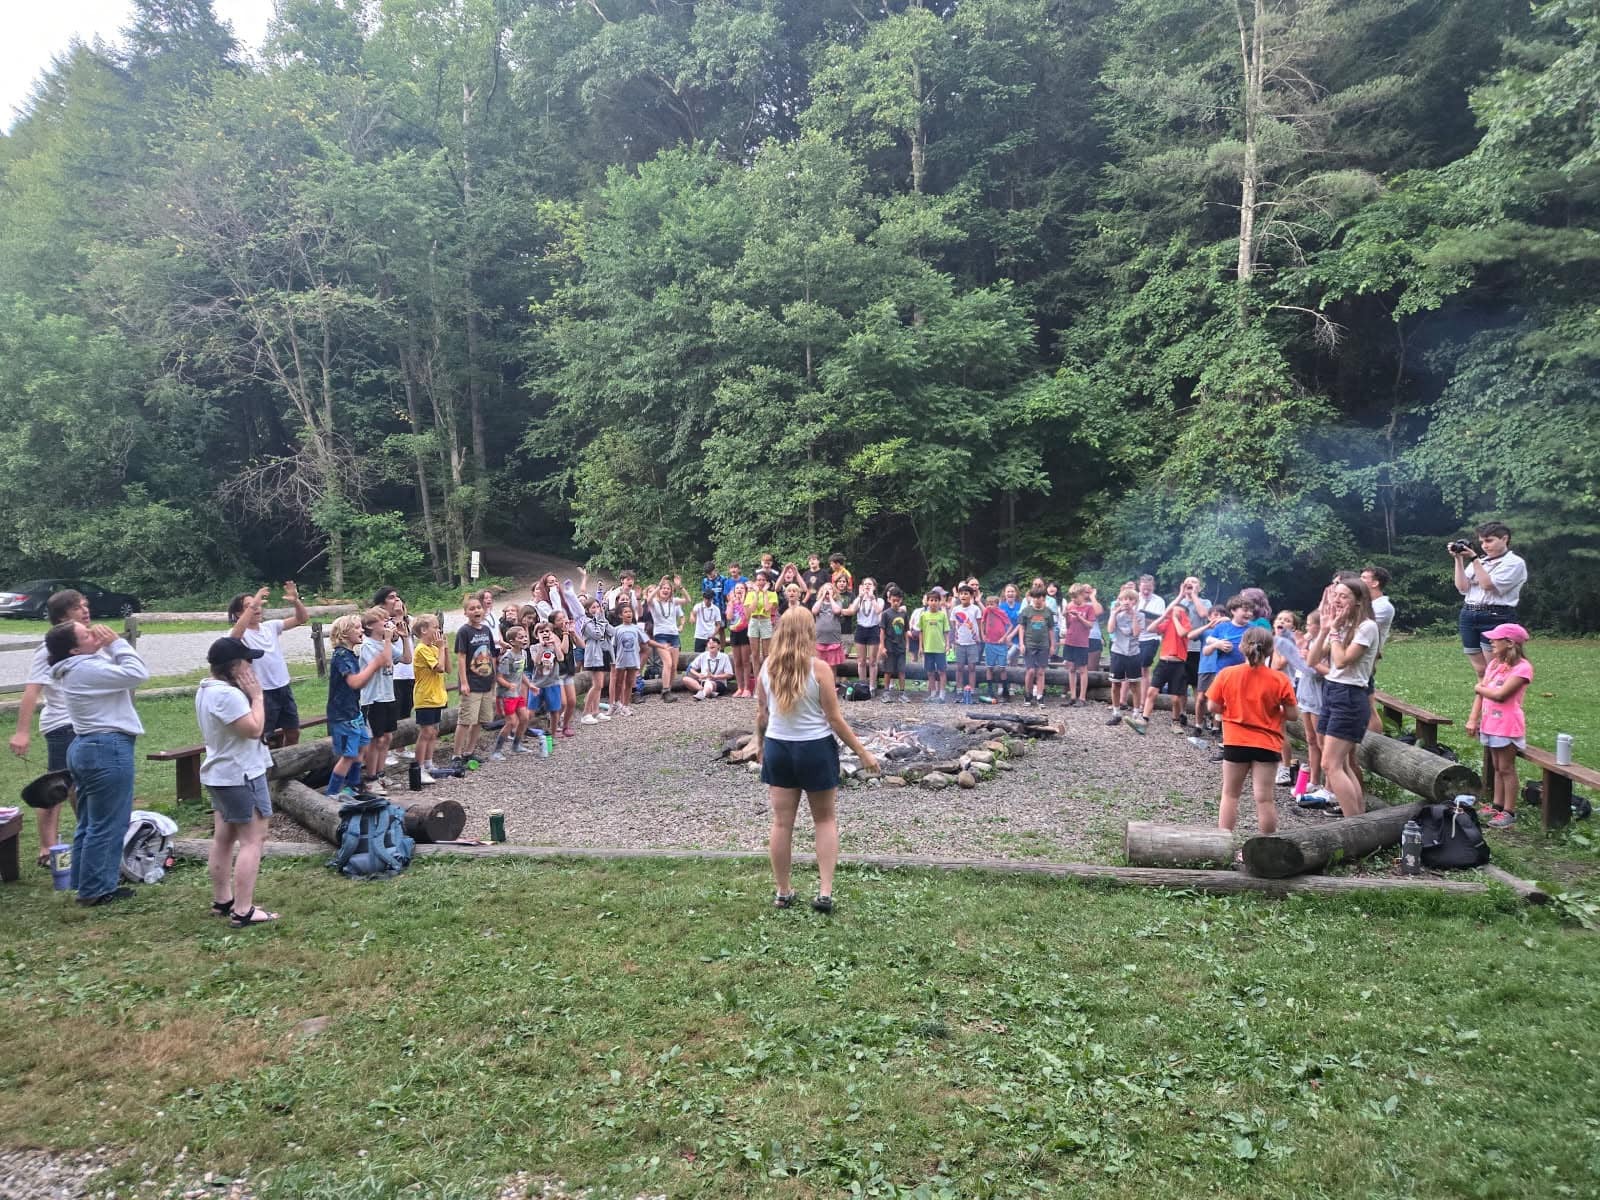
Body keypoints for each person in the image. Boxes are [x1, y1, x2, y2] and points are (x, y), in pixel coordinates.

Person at [754, 606, 881, 913]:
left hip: (779, 747)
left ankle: (783, 891)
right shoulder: (820, 669)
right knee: (824, 820)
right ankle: (824, 892)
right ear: (809, 632)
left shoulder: (767, 666)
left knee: (781, 823)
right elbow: (834, 719)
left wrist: (760, 745)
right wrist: (863, 753)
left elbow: (762, 714)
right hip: (815, 749)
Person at [46, 620, 149, 906]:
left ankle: (83, 881)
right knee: (109, 823)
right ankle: (96, 890)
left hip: (87, 746)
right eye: (86, 634)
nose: (94, 633)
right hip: (106, 748)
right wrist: (117, 643)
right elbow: (137, 673)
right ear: (74, 649)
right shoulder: (85, 669)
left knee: (90, 821)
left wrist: (106, 647)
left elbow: (115, 672)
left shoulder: (78, 666)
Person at [197, 637, 278, 926]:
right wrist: (257, 697)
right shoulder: (227, 695)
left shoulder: (206, 689)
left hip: (221, 774)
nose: (251, 667)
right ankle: (243, 910)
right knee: (253, 839)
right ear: (233, 668)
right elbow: (253, 729)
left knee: (224, 837)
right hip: (240, 775)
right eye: (247, 662)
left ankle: (223, 900)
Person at [10, 588, 91, 865]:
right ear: (62, 616)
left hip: (84, 723)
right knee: (57, 787)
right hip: (61, 724)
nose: (85, 610)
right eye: (78, 607)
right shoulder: (49, 648)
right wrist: (22, 732)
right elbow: (32, 690)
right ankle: (48, 849)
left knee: (80, 785)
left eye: (85, 605)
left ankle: (88, 838)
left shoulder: (86, 642)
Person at [1206, 627, 1298, 839]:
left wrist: (1230, 710)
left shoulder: (1227, 674)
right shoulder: (1280, 679)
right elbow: (1293, 715)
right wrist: (1274, 711)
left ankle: (1224, 844)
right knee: (1264, 799)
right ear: (1271, 651)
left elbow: (1212, 706)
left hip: (1235, 741)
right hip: (1267, 744)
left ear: (1241, 647)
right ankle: (1267, 847)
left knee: (1230, 794)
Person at [1306, 579, 1380, 818]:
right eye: (1335, 595)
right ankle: (1358, 819)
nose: (1336, 600)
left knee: (1331, 764)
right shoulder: (1341, 625)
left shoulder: (1367, 627)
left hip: (1350, 696)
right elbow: (1312, 660)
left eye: (1343, 596)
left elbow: (1341, 661)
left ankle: (1352, 824)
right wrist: (1325, 629)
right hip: (1332, 691)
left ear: (1359, 600)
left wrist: (1335, 631)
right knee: (1342, 764)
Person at [229, 581, 310, 747]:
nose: (257, 608)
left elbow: (302, 619)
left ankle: (290, 762)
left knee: (293, 732)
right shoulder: (239, 633)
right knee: (262, 737)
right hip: (261, 691)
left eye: (258, 604)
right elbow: (234, 637)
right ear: (238, 613)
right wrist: (253, 605)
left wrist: (296, 601)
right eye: (250, 606)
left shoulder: (270, 626)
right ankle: (265, 764)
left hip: (283, 687)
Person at [1468, 623, 1532, 829]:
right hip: (1490, 723)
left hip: (1507, 726)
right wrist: (1473, 718)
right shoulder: (1494, 664)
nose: (1491, 641)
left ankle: (1509, 811)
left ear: (1510, 642)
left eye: (1496, 638)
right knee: (1497, 767)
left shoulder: (1522, 668)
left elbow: (1501, 695)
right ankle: (1496, 805)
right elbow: (1482, 696)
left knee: (1506, 768)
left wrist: (1478, 687)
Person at [1452, 521, 1528, 679]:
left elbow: (1487, 585)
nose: (1484, 546)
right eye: (1481, 542)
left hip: (1496, 615)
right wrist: (1458, 560)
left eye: (1489, 540)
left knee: (1496, 668)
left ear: (1504, 539)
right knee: (1480, 670)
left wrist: (1474, 559)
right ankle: (1482, 696)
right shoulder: (1481, 561)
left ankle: (1501, 695)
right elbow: (1462, 587)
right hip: (1468, 614)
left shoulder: (1514, 563)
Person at [325, 613, 389, 796]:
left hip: (353, 712)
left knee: (362, 746)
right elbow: (354, 682)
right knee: (349, 755)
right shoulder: (341, 655)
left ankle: (353, 786)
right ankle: (332, 793)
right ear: (344, 633)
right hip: (342, 715)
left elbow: (360, 683)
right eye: (357, 627)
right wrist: (375, 664)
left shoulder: (351, 654)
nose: (362, 630)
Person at [358, 607, 410, 793]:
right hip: (373, 699)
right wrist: (388, 639)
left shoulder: (384, 643)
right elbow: (386, 662)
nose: (388, 623)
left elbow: (406, 659)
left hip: (388, 695)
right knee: (376, 739)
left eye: (388, 620)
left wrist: (404, 638)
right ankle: (371, 778)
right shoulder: (367, 646)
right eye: (383, 621)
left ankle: (380, 774)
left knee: (387, 737)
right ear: (370, 626)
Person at [1195, 596, 1252, 738]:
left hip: (1243, 674)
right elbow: (1206, 651)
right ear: (1233, 611)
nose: (1249, 613)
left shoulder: (1252, 629)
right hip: (1223, 673)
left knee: (1236, 705)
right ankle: (1214, 730)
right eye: (1245, 610)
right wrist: (1217, 644)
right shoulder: (1222, 628)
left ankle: (1229, 737)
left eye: (1250, 611)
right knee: (1216, 703)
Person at [453, 594, 498, 763]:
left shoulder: (486, 630)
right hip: (471, 683)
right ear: (466, 613)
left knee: (480, 720)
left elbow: (491, 653)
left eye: (478, 607)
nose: (476, 611)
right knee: (466, 720)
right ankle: (456, 755)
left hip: (486, 681)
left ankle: (469, 751)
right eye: (471, 609)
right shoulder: (464, 631)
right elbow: (461, 658)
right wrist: (464, 683)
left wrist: (493, 678)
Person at [1141, 594, 1193, 730]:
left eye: (1178, 611)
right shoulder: (1167, 622)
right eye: (1174, 611)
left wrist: (1175, 618)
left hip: (1178, 665)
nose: (1174, 613)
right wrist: (1164, 616)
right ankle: (1144, 720)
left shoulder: (1186, 624)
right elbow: (1150, 629)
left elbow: (1182, 633)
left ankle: (1175, 722)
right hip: (1164, 662)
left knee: (1175, 698)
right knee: (1152, 692)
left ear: (1185, 615)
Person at [409, 614, 449, 780]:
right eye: (435, 627)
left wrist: (444, 649)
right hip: (425, 697)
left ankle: (429, 763)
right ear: (424, 630)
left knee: (434, 731)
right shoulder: (421, 649)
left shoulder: (433, 648)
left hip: (436, 696)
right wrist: (441, 649)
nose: (438, 630)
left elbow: (448, 668)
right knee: (426, 732)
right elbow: (439, 668)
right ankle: (418, 769)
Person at [1105, 584, 1146, 729]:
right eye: (1124, 599)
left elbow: (1136, 633)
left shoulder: (1140, 615)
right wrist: (1114, 613)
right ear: (1120, 600)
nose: (1127, 602)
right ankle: (1116, 713)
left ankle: (1136, 713)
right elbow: (1110, 630)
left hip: (1133, 653)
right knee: (1115, 684)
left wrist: (1133, 615)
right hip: (1118, 652)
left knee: (1135, 684)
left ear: (1135, 601)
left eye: (1130, 599)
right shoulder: (1116, 614)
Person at [1361, 565, 1395, 733]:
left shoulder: (1384, 606)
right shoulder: (1368, 603)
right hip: (1358, 658)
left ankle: (1375, 743)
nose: (1359, 581)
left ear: (1375, 583)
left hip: (1366, 661)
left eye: (1363, 578)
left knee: (1368, 708)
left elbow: (1361, 626)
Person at [490, 625, 532, 759]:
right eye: (521, 637)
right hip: (506, 695)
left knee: (524, 718)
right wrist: (509, 685)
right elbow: (499, 677)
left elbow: (521, 673)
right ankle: (496, 751)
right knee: (511, 722)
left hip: (517, 693)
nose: (524, 639)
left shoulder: (524, 654)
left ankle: (516, 745)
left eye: (525, 636)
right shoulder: (508, 657)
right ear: (512, 642)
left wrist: (530, 685)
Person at [648, 575, 689, 702]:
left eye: (668, 588)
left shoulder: (674, 602)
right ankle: (665, 690)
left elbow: (688, 600)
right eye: (663, 588)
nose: (665, 590)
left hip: (674, 635)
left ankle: (668, 690)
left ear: (671, 591)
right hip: (661, 635)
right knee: (668, 663)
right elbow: (648, 599)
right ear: (660, 590)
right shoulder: (655, 603)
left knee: (674, 666)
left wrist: (680, 586)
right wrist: (659, 585)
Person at [1061, 584, 1100, 706]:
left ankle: (1082, 698)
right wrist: (1066, 616)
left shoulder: (1089, 608)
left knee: (1082, 669)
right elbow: (1068, 625)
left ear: (1082, 595)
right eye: (1071, 597)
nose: (1073, 599)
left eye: (1075, 597)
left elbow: (1090, 625)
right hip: (1070, 641)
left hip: (1082, 643)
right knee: (1071, 668)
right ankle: (1072, 696)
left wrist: (1079, 617)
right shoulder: (1070, 605)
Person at [844, 578, 884, 692]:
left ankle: (872, 686)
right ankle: (862, 685)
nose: (867, 586)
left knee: (872, 661)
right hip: (861, 629)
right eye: (865, 584)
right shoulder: (859, 599)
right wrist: (860, 597)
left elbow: (878, 611)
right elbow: (853, 610)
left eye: (870, 584)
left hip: (873, 629)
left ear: (874, 587)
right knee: (861, 661)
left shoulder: (879, 600)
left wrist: (872, 598)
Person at [579, 598, 614, 723]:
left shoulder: (600, 620)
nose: (596, 610)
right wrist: (600, 620)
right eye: (593, 607)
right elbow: (597, 634)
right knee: (597, 685)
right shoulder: (587, 623)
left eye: (597, 607)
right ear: (587, 610)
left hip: (603, 653)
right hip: (594, 656)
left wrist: (603, 619)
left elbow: (612, 632)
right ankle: (585, 713)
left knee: (600, 685)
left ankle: (596, 711)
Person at [1018, 587, 1055, 707]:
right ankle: (1027, 694)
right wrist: (1021, 643)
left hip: (1043, 645)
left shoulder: (1048, 612)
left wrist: (1052, 645)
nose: (1037, 600)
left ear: (1043, 598)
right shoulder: (1026, 611)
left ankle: (1040, 696)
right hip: (1029, 644)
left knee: (1040, 672)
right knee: (1030, 671)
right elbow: (1021, 628)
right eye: (1034, 597)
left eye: (1039, 597)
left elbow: (1051, 629)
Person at [527, 625, 563, 746]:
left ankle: (552, 736)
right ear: (536, 635)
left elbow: (560, 658)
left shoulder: (555, 646)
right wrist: (542, 647)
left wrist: (555, 644)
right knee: (530, 711)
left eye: (547, 631)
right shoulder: (534, 647)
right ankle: (520, 732)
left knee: (554, 711)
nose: (545, 633)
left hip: (552, 682)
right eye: (541, 632)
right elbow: (537, 662)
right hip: (537, 684)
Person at [949, 584, 983, 704]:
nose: (963, 596)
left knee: (972, 667)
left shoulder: (975, 609)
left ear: (971, 595)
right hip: (959, 643)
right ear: (959, 596)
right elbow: (953, 625)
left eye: (966, 593)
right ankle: (959, 690)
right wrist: (953, 639)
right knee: (959, 667)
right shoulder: (955, 609)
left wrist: (980, 637)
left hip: (973, 642)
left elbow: (979, 624)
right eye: (961, 593)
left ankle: (972, 690)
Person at [609, 604, 646, 716]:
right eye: (625, 612)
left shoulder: (637, 628)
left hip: (633, 659)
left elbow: (644, 643)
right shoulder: (617, 629)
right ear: (620, 615)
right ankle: (615, 703)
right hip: (621, 659)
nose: (628, 614)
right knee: (619, 682)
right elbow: (613, 646)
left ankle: (625, 706)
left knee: (630, 682)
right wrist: (613, 660)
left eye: (630, 611)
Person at [550, 609, 581, 738]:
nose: (563, 621)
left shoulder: (568, 632)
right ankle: (554, 725)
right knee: (562, 702)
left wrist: (573, 633)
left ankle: (566, 725)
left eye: (564, 617)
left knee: (572, 701)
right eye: (559, 619)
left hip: (568, 671)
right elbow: (564, 650)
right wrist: (565, 633)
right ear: (553, 623)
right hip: (557, 672)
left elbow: (582, 644)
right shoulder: (552, 635)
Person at [980, 592, 1015, 701]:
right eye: (988, 604)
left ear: (997, 604)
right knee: (989, 667)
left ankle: (1005, 691)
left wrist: (1004, 637)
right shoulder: (986, 611)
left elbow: (1010, 625)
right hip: (989, 643)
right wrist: (983, 634)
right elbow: (982, 622)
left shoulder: (1001, 612)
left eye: (992, 604)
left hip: (1000, 644)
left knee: (1002, 667)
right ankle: (990, 691)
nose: (989, 606)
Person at [879, 586, 911, 703]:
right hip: (889, 646)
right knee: (888, 670)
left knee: (902, 671)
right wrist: (882, 646)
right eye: (893, 600)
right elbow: (882, 631)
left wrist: (907, 644)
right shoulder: (886, 614)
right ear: (889, 600)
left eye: (898, 600)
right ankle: (886, 693)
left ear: (901, 600)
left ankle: (902, 693)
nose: (896, 603)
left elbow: (906, 630)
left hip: (900, 646)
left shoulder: (904, 614)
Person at [919, 588, 951, 703]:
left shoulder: (942, 616)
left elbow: (946, 631)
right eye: (931, 600)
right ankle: (932, 693)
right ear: (927, 601)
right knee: (930, 672)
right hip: (928, 648)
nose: (933, 603)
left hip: (940, 648)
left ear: (939, 602)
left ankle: (942, 694)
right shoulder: (924, 616)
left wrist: (947, 644)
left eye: (936, 600)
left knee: (942, 671)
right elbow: (921, 631)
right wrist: (920, 646)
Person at [747, 571, 778, 676]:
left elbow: (767, 608)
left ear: (767, 582)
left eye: (763, 580)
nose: (761, 582)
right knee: (755, 654)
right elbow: (752, 609)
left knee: (766, 654)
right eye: (759, 580)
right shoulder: (750, 594)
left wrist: (764, 593)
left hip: (765, 621)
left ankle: (766, 678)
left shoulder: (772, 594)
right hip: (754, 621)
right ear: (755, 582)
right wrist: (756, 593)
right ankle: (757, 680)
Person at [724, 582, 753, 698]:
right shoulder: (731, 603)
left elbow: (748, 616)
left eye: (742, 588)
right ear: (734, 591)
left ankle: (747, 688)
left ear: (745, 591)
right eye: (737, 588)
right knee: (737, 662)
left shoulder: (748, 602)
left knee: (745, 661)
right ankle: (739, 687)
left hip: (745, 632)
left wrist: (743, 602)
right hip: (734, 632)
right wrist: (731, 603)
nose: (739, 590)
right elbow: (729, 617)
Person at [812, 582, 846, 667]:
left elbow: (837, 611)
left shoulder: (837, 602)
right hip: (820, 639)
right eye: (825, 589)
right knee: (820, 665)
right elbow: (814, 611)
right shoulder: (818, 602)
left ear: (833, 591)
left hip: (833, 639)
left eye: (830, 589)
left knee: (832, 665)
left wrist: (830, 598)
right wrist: (822, 597)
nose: (827, 590)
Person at [691, 589, 724, 654]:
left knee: (713, 655)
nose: (706, 601)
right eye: (705, 598)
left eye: (708, 599)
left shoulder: (716, 609)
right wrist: (692, 617)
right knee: (698, 655)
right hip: (699, 636)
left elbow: (718, 624)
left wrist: (713, 634)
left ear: (712, 599)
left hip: (711, 636)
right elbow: (693, 613)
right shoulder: (698, 606)